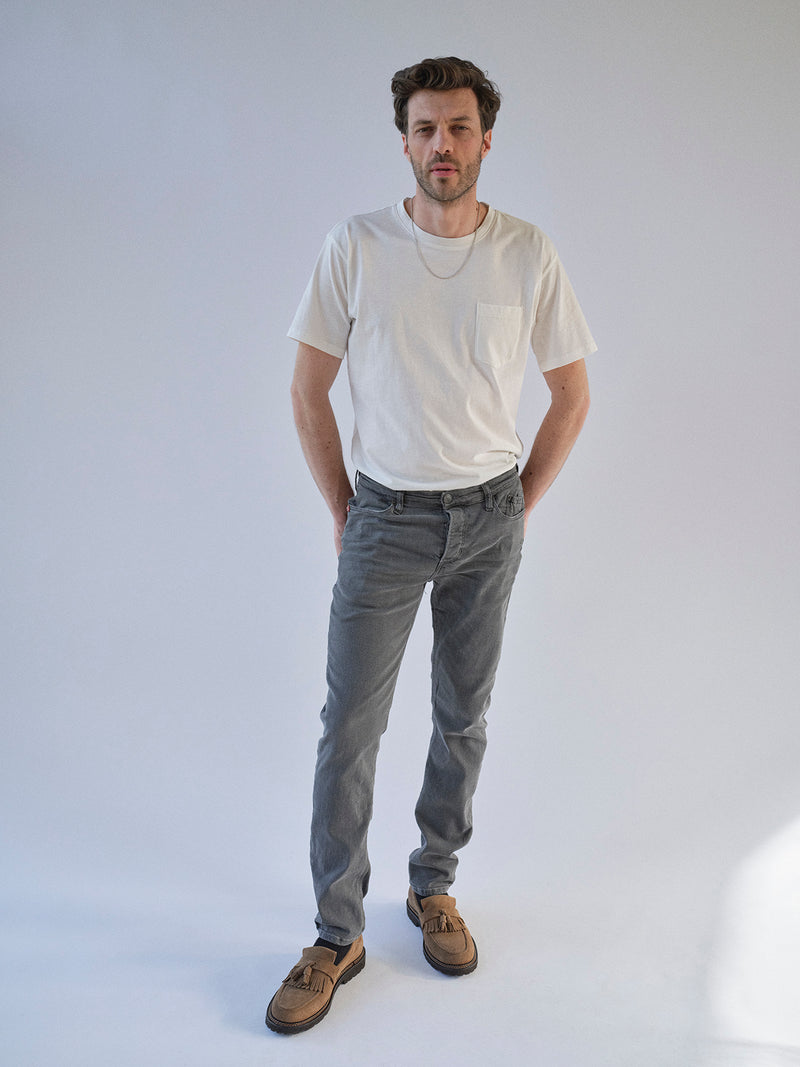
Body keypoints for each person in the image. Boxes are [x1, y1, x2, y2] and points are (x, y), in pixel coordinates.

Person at [266, 56, 596, 1035]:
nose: (440, 146)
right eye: (424, 129)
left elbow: (571, 393)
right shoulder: (357, 245)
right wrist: (345, 507)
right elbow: (306, 388)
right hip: (385, 515)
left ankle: (432, 884)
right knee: (349, 726)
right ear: (403, 140)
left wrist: (518, 504)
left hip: (488, 518)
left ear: (484, 139)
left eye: (457, 128)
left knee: (463, 715)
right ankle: (336, 933)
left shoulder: (526, 252)